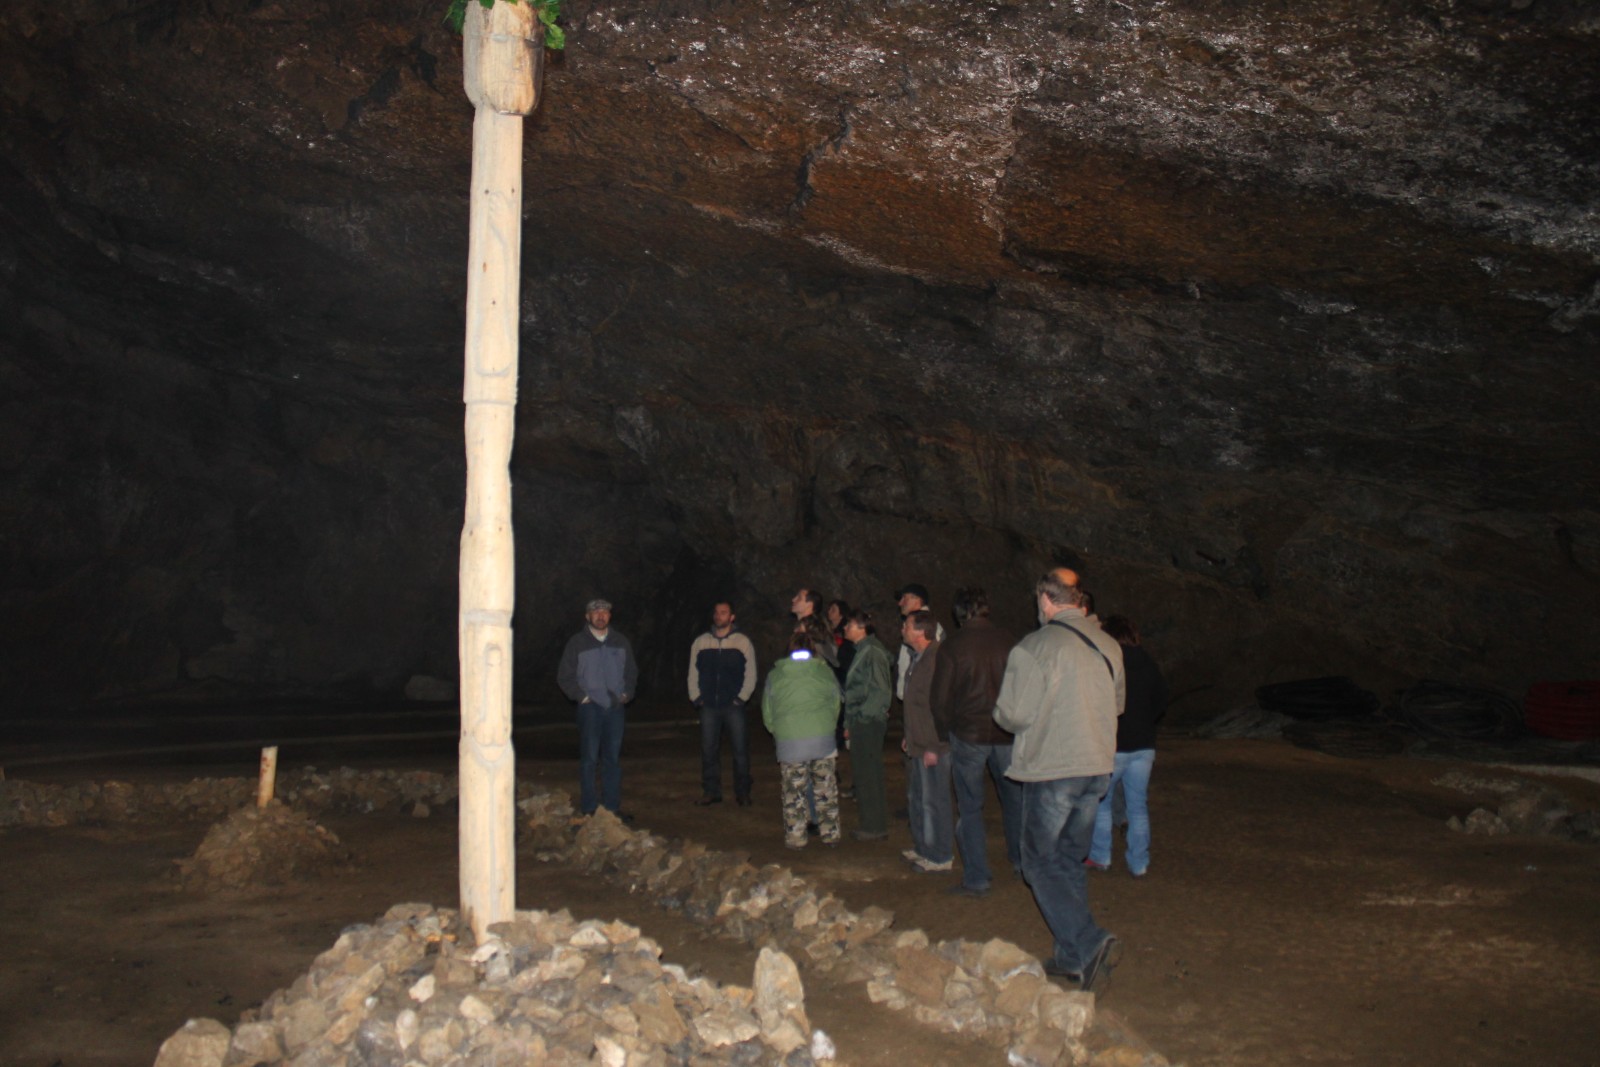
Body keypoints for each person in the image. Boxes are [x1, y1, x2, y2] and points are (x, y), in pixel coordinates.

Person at [994, 571, 1126, 993]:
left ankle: (1088, 940)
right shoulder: (1108, 645)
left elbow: (1012, 715)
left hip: (1054, 768)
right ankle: (1072, 956)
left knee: (1037, 861)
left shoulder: (1035, 646)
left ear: (1046, 601)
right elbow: (1117, 704)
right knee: (1068, 859)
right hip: (1097, 765)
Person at [930, 586, 1022, 897]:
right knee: (1014, 799)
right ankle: (1021, 861)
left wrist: (945, 731)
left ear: (958, 612)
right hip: (1005, 732)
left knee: (970, 806)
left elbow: (940, 699)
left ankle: (977, 876)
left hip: (968, 733)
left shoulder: (954, 646)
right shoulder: (1008, 640)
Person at [1087, 615, 1167, 876]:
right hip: (1143, 746)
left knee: (1102, 802)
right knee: (1137, 805)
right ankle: (1139, 862)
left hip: (1114, 745)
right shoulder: (1148, 663)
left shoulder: (1108, 663)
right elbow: (1161, 699)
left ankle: (1101, 855)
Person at [557, 597, 638, 817]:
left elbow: (631, 672)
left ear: (609, 616)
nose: (600, 616)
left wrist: (626, 694)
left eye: (604, 612)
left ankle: (611, 809)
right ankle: (589, 809)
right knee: (589, 759)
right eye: (596, 612)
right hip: (590, 708)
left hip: (615, 708)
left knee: (612, 759)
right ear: (588, 616)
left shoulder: (620, 641)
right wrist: (581, 697)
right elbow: (564, 676)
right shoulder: (577, 643)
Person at [761, 632, 843, 849]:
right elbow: (835, 703)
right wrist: (828, 726)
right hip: (822, 740)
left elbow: (767, 709)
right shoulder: (824, 672)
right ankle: (830, 834)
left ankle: (796, 837)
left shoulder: (775, 675)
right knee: (825, 790)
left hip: (790, 741)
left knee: (794, 792)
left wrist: (777, 730)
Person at [687, 601, 758, 807]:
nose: (719, 616)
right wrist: (696, 697)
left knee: (740, 750)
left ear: (732, 617)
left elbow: (751, 673)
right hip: (708, 704)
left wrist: (742, 697)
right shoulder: (701, 642)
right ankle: (711, 791)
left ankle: (742, 792)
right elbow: (692, 672)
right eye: (717, 612)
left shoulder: (742, 642)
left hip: (733, 705)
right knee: (708, 750)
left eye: (724, 612)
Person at [899, 609, 951, 872]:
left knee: (935, 801)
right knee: (918, 797)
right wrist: (910, 736)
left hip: (933, 746)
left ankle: (940, 855)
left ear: (921, 631)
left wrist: (934, 746)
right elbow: (916, 705)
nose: (903, 630)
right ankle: (923, 847)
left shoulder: (935, 661)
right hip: (918, 742)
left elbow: (940, 708)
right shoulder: (918, 659)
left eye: (907, 626)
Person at [840, 608, 893, 840]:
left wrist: (862, 717)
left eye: (849, 625)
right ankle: (872, 823)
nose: (845, 628)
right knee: (865, 773)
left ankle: (874, 826)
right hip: (863, 720)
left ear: (862, 628)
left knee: (868, 773)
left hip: (868, 722)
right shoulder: (864, 650)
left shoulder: (871, 651)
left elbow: (880, 690)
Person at [893, 583, 945, 699]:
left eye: (904, 598)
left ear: (916, 599)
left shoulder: (932, 627)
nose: (900, 603)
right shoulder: (910, 626)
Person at [791, 587, 838, 669]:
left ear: (809, 604)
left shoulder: (813, 627)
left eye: (799, 598)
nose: (793, 599)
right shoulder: (813, 625)